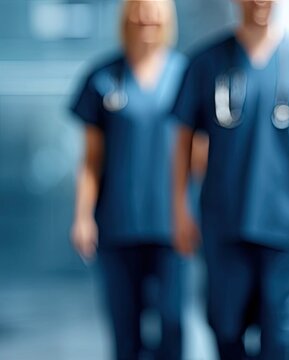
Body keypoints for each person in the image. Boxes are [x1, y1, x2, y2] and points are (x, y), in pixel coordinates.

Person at [170, 0, 289, 358]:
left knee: (281, 330)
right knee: (225, 324)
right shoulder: (205, 63)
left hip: (285, 221)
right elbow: (184, 141)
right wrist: (179, 209)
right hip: (224, 221)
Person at [69, 1, 186, 359]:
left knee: (172, 324)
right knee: (125, 331)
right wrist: (82, 216)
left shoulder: (185, 75)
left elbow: (199, 154)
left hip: (172, 227)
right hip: (118, 225)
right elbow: (91, 160)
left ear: (167, 17)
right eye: (138, 9)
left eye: (155, 10)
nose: (146, 18)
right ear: (126, 16)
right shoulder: (103, 78)